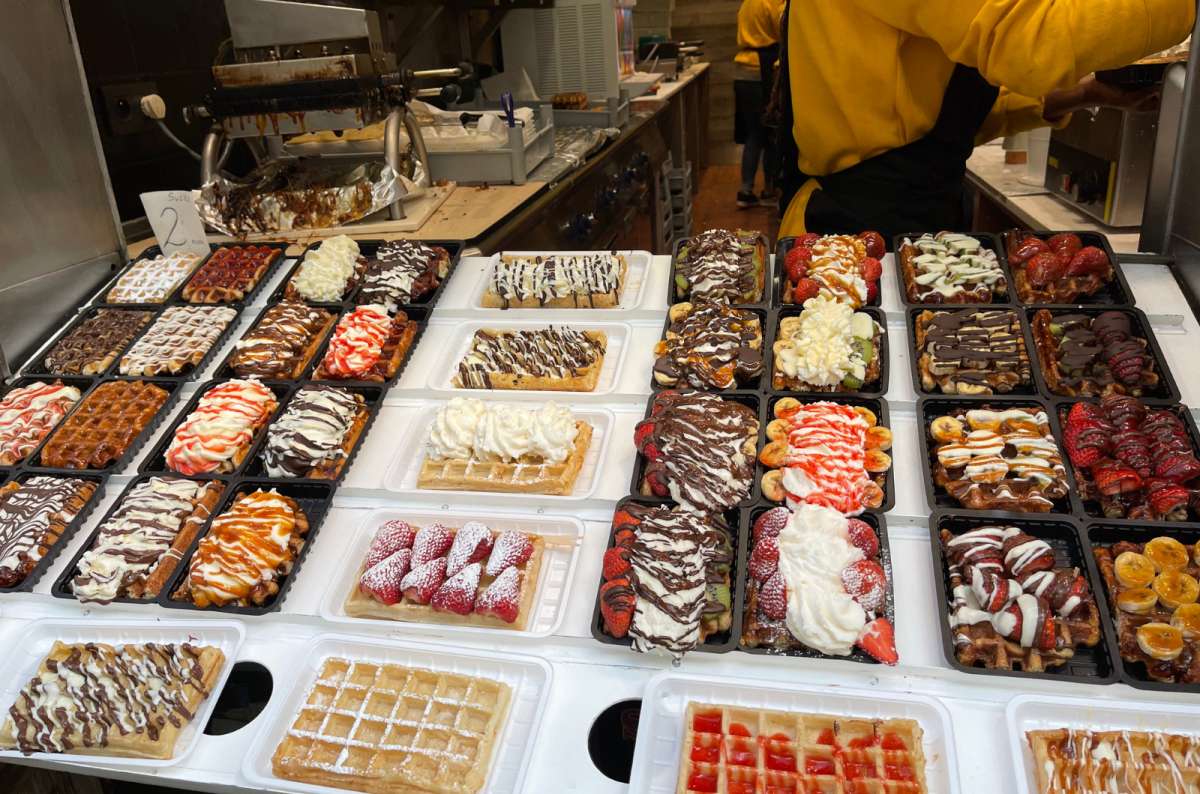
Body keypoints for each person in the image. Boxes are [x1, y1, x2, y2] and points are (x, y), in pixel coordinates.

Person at [775, 0, 1196, 237]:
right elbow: (1031, 43)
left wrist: (1078, 95)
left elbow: (925, 122)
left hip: (893, 223)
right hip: (857, 235)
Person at [733, 0, 785, 208]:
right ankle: (769, 191)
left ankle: (746, 189)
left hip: (743, 68)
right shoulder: (772, 2)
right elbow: (782, 31)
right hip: (762, 68)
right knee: (770, 132)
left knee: (752, 133)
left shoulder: (748, 2)